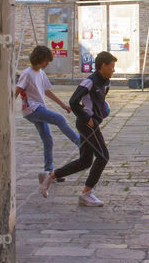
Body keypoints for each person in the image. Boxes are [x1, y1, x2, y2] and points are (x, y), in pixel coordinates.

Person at [39, 51, 117, 206]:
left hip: (93, 124)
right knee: (103, 157)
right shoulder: (89, 81)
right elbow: (74, 101)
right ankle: (86, 194)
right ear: (103, 66)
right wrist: (87, 118)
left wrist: (101, 112)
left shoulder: (106, 83)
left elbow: (98, 102)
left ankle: (51, 176)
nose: (114, 70)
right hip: (87, 125)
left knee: (85, 161)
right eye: (112, 66)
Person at [15, 45, 80, 186]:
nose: (47, 63)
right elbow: (18, 90)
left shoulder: (41, 73)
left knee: (48, 139)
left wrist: (62, 104)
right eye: (46, 60)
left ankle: (48, 173)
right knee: (59, 119)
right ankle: (80, 143)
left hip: (38, 108)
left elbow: (47, 91)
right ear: (39, 58)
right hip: (32, 109)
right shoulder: (27, 73)